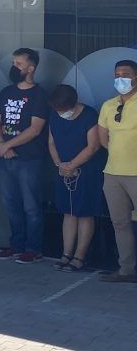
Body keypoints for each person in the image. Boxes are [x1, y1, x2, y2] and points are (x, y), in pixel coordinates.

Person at [0, 48, 49, 264]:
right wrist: (1, 144)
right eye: (13, 62)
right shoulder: (6, 91)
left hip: (29, 158)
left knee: (31, 205)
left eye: (19, 63)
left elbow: (35, 129)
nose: (14, 67)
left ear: (31, 68)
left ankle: (33, 248)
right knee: (11, 203)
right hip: (5, 156)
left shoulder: (39, 94)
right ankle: (16, 244)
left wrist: (8, 145)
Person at [48, 84, 103, 272]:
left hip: (85, 171)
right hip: (63, 170)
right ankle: (66, 254)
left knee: (84, 212)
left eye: (63, 109)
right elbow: (51, 141)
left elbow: (93, 146)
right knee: (68, 212)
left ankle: (80, 256)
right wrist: (59, 165)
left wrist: (72, 165)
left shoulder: (89, 115)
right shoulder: (55, 114)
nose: (60, 113)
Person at [97, 60, 137, 282]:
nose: (120, 78)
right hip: (113, 172)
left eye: (126, 74)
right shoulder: (109, 105)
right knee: (120, 223)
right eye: (117, 75)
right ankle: (126, 269)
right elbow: (103, 138)